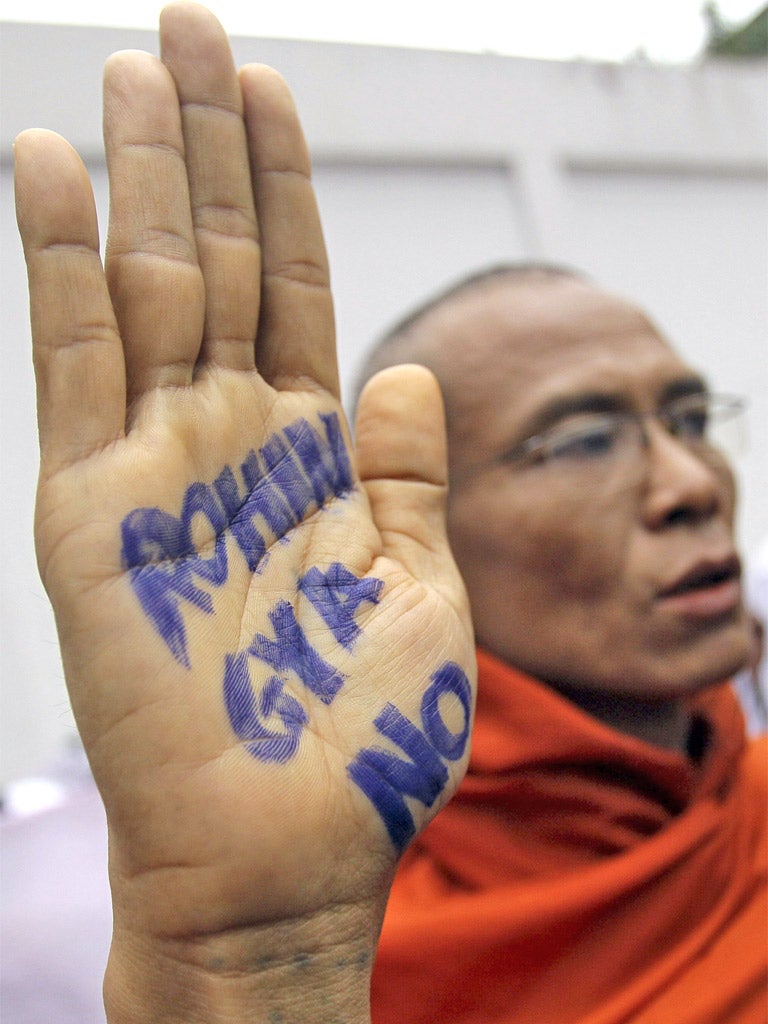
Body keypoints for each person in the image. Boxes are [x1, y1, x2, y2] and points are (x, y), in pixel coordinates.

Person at [12, 4, 765, 1024]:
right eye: (583, 441)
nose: (692, 483)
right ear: (420, 530)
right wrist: (264, 963)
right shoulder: (355, 922)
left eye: (687, 415)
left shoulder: (745, 806)